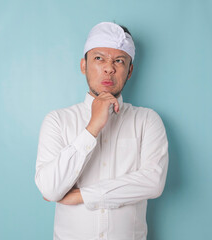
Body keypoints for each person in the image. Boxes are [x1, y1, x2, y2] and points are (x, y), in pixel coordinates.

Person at [35, 22, 169, 240]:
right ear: (83, 65)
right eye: (99, 58)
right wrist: (92, 128)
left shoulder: (147, 120)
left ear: (130, 71)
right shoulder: (57, 121)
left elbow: (153, 182)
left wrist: (84, 195)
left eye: (119, 61)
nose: (109, 68)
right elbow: (50, 189)